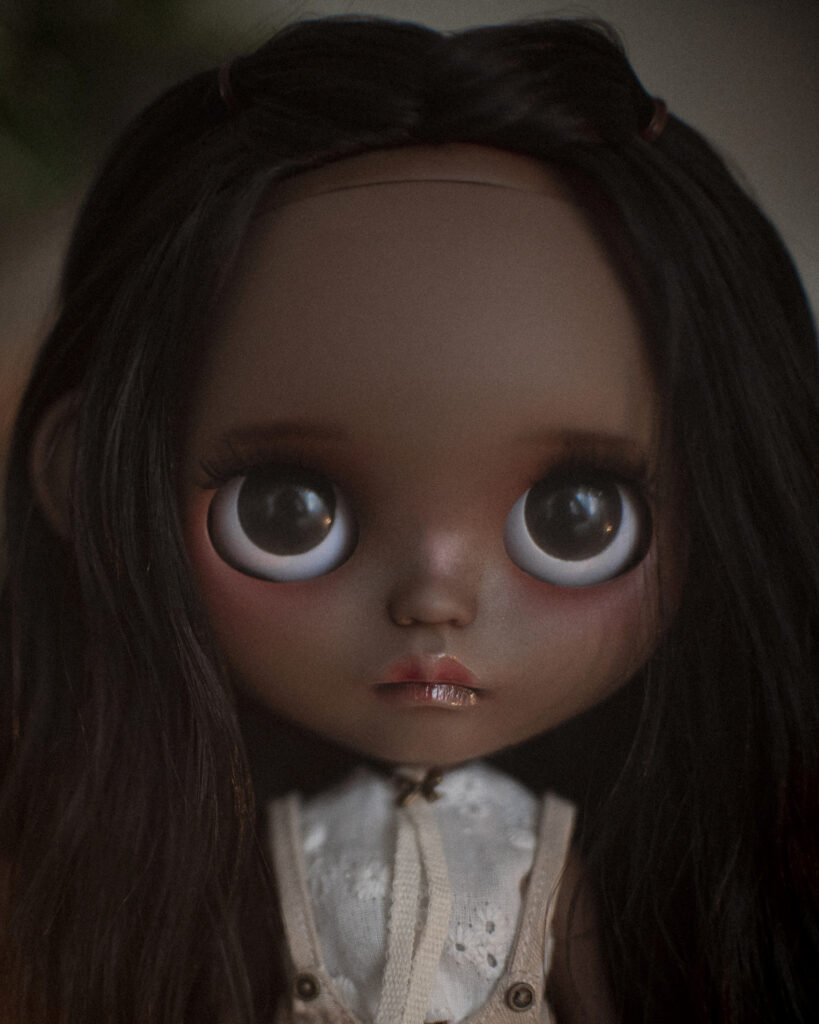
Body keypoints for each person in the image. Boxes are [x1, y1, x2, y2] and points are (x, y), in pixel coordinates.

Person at [1, 15, 817, 1024]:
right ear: (87, 479)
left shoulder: (549, 859)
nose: (434, 598)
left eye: (575, 519)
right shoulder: (239, 863)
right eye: (287, 513)